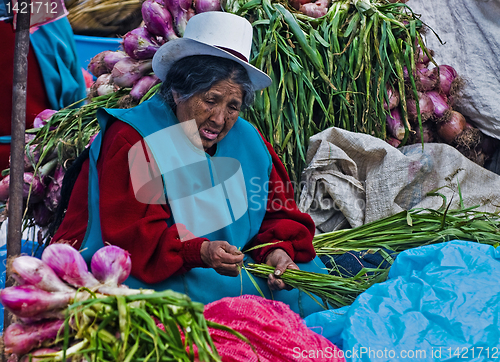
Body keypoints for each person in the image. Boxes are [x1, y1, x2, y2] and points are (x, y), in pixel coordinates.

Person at [51, 11, 328, 318]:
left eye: (232, 107)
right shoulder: (135, 137)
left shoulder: (248, 139)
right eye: (210, 100)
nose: (219, 120)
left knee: (308, 279)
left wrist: (276, 250)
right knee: (230, 305)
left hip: (228, 263)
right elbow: (133, 237)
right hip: (158, 264)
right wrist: (201, 252)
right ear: (179, 90)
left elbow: (278, 214)